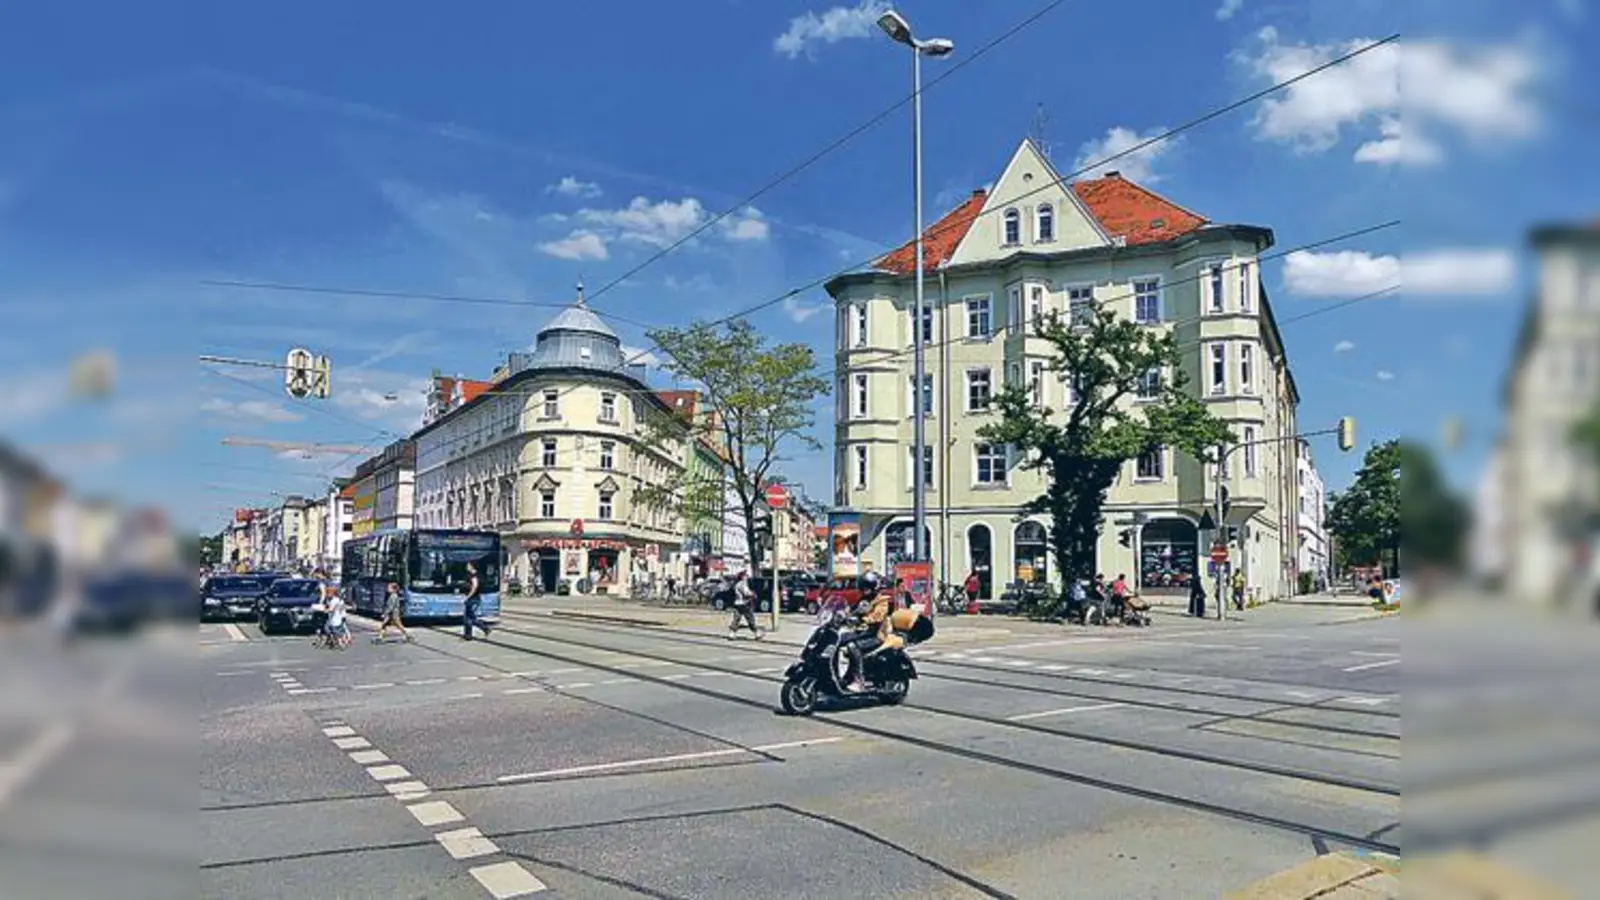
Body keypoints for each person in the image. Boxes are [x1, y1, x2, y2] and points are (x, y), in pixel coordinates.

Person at [842, 581, 932, 692]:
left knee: (853, 647)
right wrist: (843, 614)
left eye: (866, 589)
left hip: (876, 635)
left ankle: (858, 680)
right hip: (862, 633)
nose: (864, 591)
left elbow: (878, 617)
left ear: (873, 589)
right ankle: (843, 677)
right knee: (840, 640)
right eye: (863, 589)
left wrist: (862, 619)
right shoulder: (864, 600)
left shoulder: (882, 602)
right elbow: (852, 610)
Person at [461, 562, 491, 641]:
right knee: (468, 617)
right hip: (474, 598)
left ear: (472, 566)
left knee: (470, 618)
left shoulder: (473, 575)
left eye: (468, 565)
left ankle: (484, 629)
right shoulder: (476, 574)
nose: (466, 566)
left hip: (473, 599)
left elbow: (475, 586)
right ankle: (468, 635)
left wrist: (468, 596)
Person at [727, 570, 761, 639]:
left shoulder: (737, 584)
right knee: (750, 618)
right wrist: (753, 594)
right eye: (745, 575)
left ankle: (732, 633)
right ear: (742, 577)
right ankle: (756, 633)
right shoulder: (742, 584)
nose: (747, 577)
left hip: (737, 603)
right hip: (744, 603)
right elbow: (746, 593)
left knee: (736, 618)